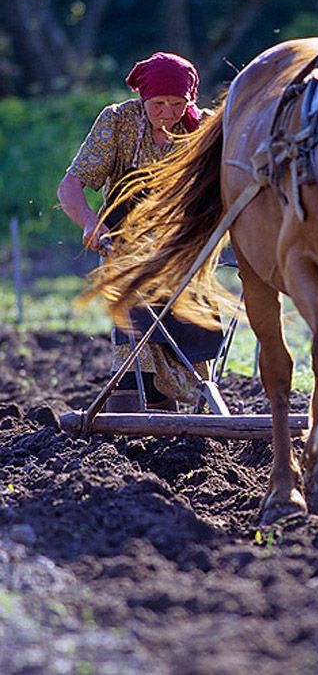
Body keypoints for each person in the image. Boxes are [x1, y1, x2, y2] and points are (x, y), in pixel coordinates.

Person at [57, 52, 223, 412]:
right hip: (126, 241)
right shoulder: (118, 122)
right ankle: (133, 409)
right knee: (134, 334)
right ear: (142, 98)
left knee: (191, 332)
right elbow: (70, 187)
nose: (167, 112)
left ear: (190, 100)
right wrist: (90, 222)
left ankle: (190, 412)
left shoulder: (204, 130)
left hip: (182, 244)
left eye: (178, 104)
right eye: (158, 103)